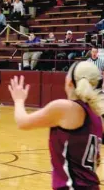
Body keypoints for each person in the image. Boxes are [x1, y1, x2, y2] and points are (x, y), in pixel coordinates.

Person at [8, 61, 104, 190]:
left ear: (69, 82)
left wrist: (19, 100)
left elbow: (22, 122)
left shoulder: (65, 108)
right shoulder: (97, 115)